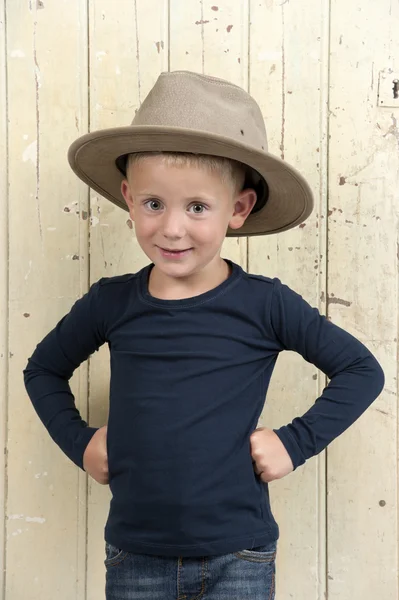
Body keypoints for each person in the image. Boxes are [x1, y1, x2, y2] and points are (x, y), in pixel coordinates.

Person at [23, 71, 385, 600]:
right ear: (128, 198)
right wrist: (79, 443)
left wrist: (294, 443)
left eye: (197, 207)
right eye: (153, 204)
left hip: (238, 556)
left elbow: (362, 371)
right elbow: (42, 369)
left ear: (238, 209)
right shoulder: (111, 301)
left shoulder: (265, 303)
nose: (171, 229)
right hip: (135, 556)